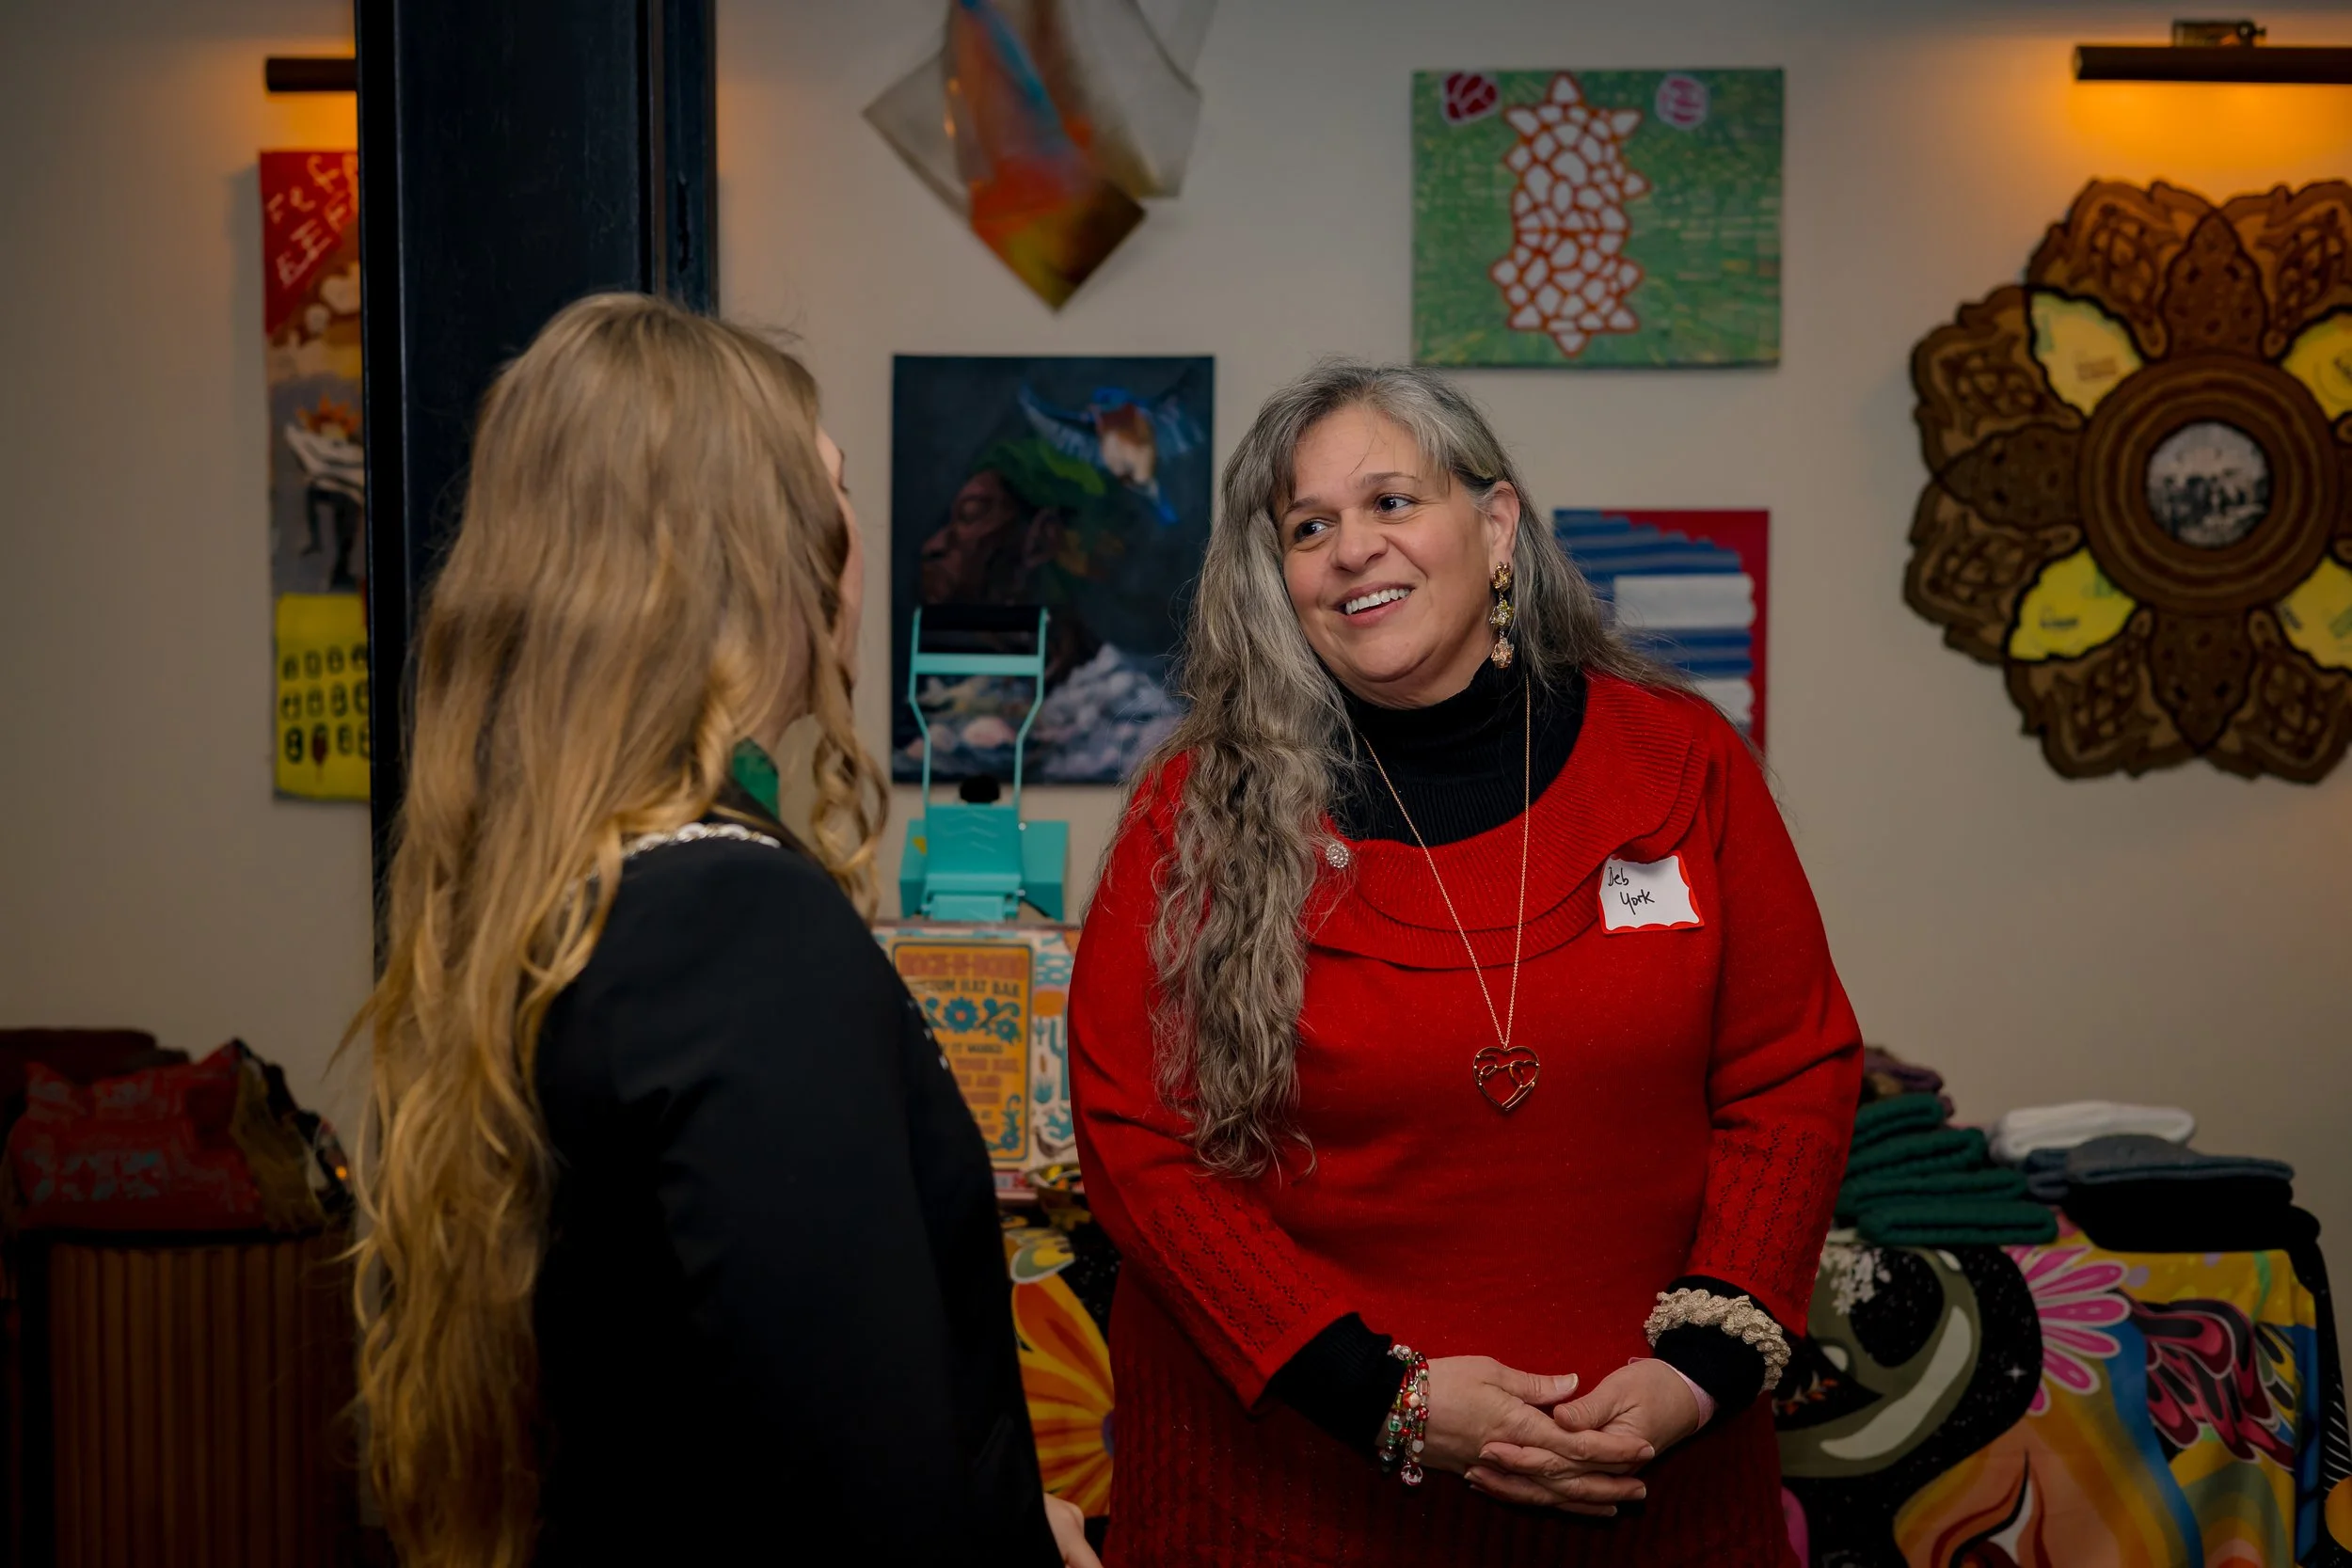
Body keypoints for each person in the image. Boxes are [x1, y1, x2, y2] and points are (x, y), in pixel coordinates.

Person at [1069, 361, 1861, 1565]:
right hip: (1292, 1491)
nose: (1351, 549)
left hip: (1643, 1486)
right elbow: (1138, 1142)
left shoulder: (1681, 763)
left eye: (1392, 501)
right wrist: (1379, 1393)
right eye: (1309, 526)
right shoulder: (1195, 808)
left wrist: (1699, 1373)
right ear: (1278, 579)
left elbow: (1790, 1077)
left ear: (1495, 527)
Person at [349, 293, 1097, 1568]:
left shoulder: (569, 902)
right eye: (836, 495)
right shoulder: (739, 927)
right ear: (761, 558)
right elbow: (867, 1502)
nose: (864, 544)